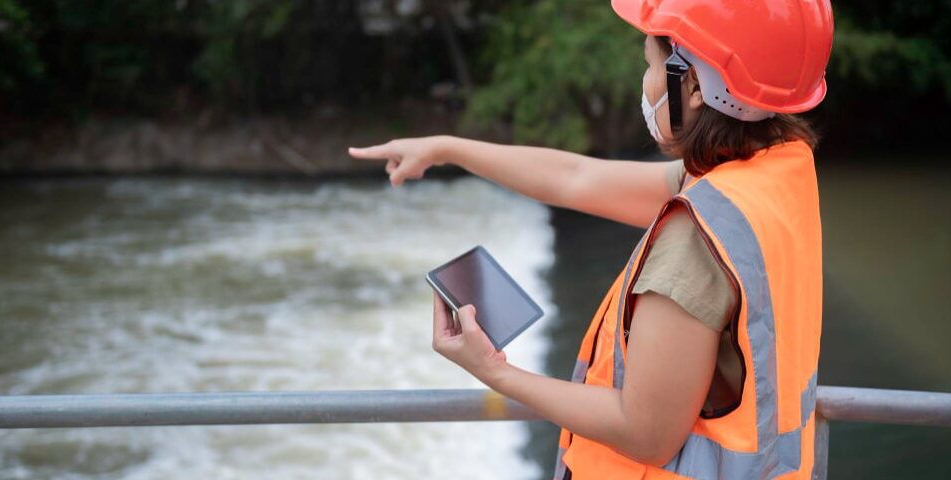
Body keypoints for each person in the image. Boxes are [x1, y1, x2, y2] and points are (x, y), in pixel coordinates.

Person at [349, 0, 833, 478]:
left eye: (649, 64)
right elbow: (575, 178)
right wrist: (447, 149)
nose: (643, 85)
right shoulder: (774, 170)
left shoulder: (695, 239)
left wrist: (496, 373)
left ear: (694, 84)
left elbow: (646, 432)